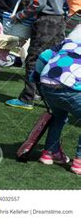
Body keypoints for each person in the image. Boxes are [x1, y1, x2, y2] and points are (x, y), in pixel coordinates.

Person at [6, 0, 66, 110]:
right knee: (52, 59)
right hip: (59, 20)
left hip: (45, 22)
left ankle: (27, 98)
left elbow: (37, 3)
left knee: (33, 59)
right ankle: (49, 95)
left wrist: (20, 16)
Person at [32, 25, 81, 175]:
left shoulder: (65, 44)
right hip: (70, 87)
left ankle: (49, 152)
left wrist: (36, 80)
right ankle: (79, 161)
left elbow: (42, 58)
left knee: (59, 116)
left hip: (48, 84)